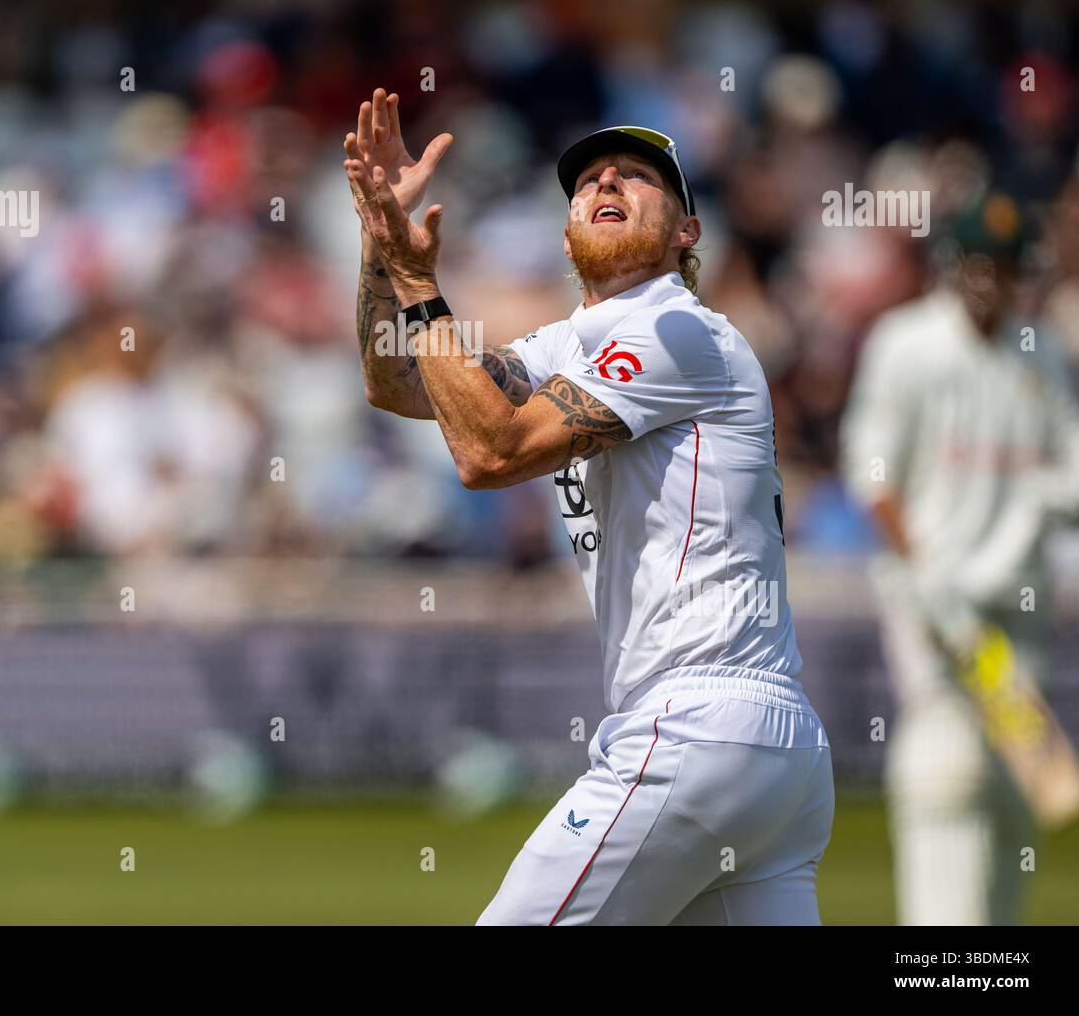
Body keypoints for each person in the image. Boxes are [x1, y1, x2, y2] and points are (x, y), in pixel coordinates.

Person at [346, 88, 834, 925]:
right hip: (772, 759)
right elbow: (396, 381)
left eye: (638, 176)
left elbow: (489, 453)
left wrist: (422, 279)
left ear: (687, 232)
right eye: (588, 178)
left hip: (698, 725)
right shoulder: (568, 344)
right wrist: (382, 241)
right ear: (568, 226)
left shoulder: (681, 331)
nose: (606, 179)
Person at [840, 191, 1079, 925]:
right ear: (954, 268)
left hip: (1017, 600)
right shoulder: (907, 343)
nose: (991, 284)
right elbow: (873, 476)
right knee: (947, 764)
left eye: (1004, 268)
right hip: (933, 601)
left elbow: (1070, 469)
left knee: (1012, 791)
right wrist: (924, 573)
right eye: (978, 266)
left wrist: (1041, 495)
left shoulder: (1037, 351)